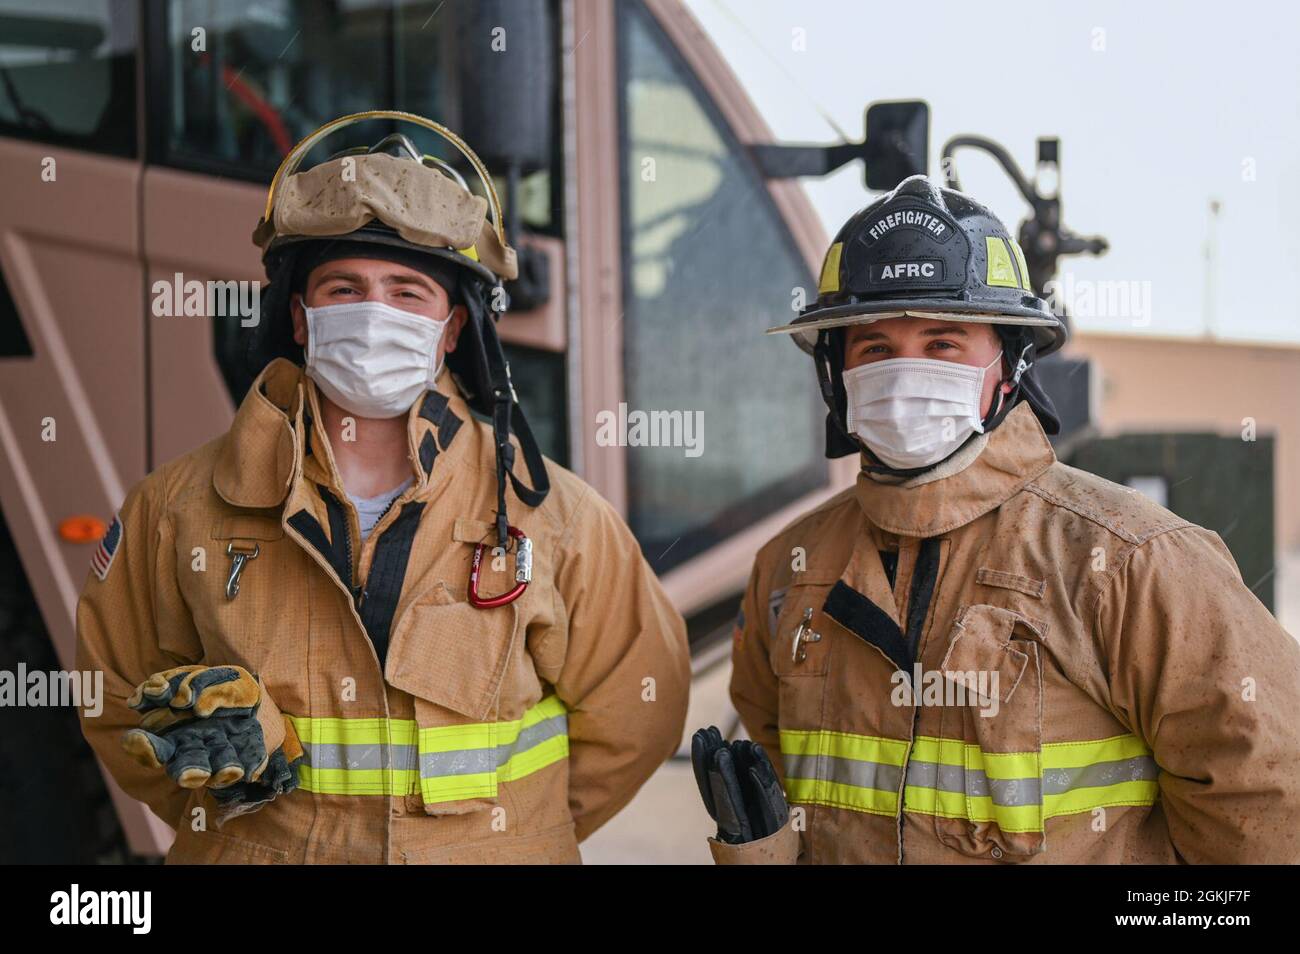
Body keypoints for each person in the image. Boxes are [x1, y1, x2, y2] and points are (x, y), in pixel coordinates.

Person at [76, 114, 690, 865]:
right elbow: (112, 701)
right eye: (345, 288)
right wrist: (237, 815)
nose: (375, 317)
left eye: (407, 293)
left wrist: (516, 838)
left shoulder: (556, 519)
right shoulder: (175, 512)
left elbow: (637, 714)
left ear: (453, 328)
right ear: (299, 319)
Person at [721, 174, 1300, 864]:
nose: (906, 374)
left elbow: (1265, 799)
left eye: (942, 345)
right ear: (834, 373)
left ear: (1010, 365)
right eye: (874, 348)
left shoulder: (1132, 561)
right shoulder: (791, 567)